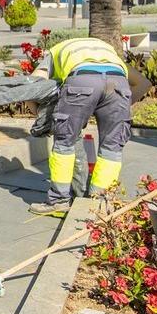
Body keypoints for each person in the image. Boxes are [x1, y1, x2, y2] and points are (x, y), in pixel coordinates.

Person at [27, 37, 133, 218]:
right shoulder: (105, 48)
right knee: (112, 147)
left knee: (64, 142)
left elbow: (34, 83)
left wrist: (37, 112)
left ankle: (58, 201)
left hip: (82, 80)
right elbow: (134, 81)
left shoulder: (56, 50)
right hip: (120, 83)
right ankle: (99, 204)